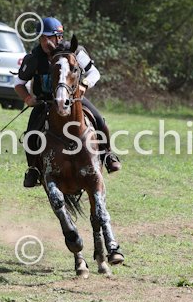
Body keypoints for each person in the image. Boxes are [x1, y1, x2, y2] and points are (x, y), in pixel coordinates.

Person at [14, 17, 121, 188]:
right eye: (42, 38)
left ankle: (108, 155)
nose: (45, 42)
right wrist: (28, 98)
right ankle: (33, 169)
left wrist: (85, 84)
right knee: (31, 134)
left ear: (59, 37)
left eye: (48, 37)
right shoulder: (34, 58)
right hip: (46, 102)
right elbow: (18, 84)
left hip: (73, 99)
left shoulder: (75, 52)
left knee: (99, 121)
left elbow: (94, 73)